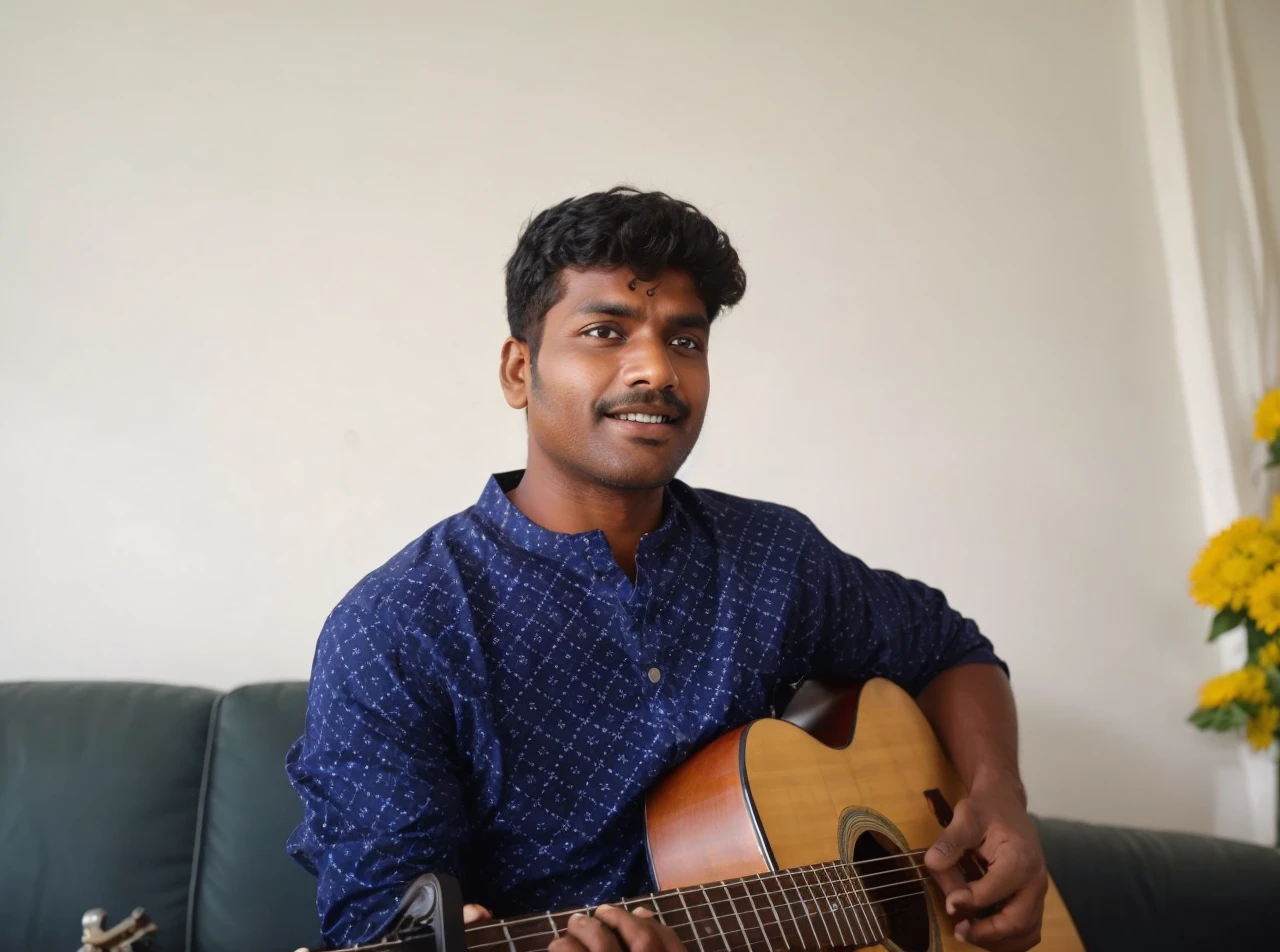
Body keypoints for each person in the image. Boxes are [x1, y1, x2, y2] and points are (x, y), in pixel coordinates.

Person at [285, 187, 1048, 952]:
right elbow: (379, 922)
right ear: (520, 371)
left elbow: (951, 650)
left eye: (685, 342)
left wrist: (1000, 799)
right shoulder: (395, 629)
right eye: (604, 331)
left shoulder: (771, 554)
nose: (655, 368)